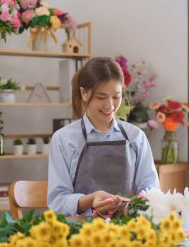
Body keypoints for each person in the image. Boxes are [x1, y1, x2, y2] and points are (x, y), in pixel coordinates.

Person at [48, 57, 159, 216]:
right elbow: (57, 202)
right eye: (101, 97)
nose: (110, 105)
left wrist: (134, 205)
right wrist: (90, 200)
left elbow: (151, 190)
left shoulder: (136, 137)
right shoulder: (63, 139)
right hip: (80, 233)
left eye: (116, 96)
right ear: (84, 93)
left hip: (125, 228)